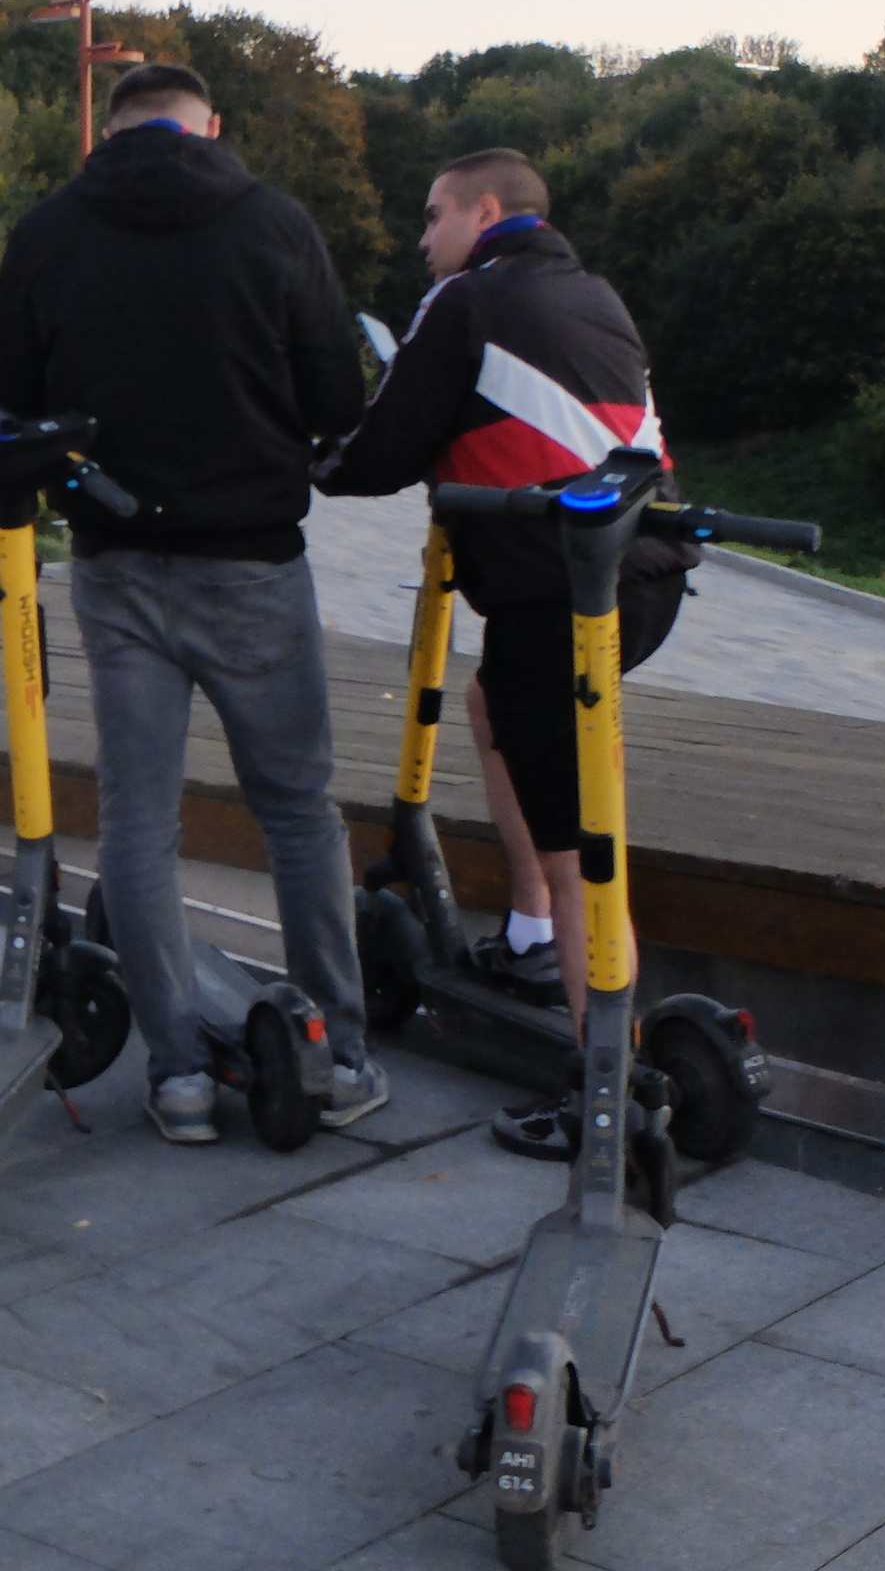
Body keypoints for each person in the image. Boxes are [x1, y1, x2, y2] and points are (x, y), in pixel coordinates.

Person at [0, 61, 388, 1144]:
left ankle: (177, 1080)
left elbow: (6, 411)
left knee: (136, 826)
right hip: (254, 561)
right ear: (210, 128)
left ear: (107, 136)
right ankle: (338, 1057)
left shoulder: (48, 231)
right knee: (297, 808)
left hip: (114, 565)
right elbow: (336, 403)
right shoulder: (274, 224)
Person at [318, 147, 694, 1159]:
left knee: (583, 856)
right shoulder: (591, 294)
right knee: (490, 711)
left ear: (485, 213)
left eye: (431, 216)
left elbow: (378, 453)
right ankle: (530, 936)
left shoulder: (465, 302)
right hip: (645, 580)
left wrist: (312, 457)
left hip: (560, 598)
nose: (421, 238)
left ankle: (604, 1089)